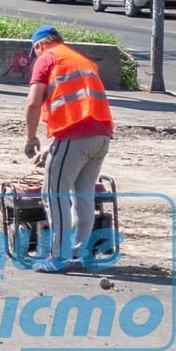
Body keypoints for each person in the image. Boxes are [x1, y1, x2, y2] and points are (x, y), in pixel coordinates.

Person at [23, 25, 114, 273]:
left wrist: (31, 138)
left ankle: (59, 257)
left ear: (39, 45)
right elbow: (79, 106)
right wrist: (53, 145)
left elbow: (33, 103)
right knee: (83, 196)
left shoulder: (47, 58)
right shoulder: (81, 60)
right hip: (101, 135)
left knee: (54, 194)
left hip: (74, 136)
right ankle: (80, 254)